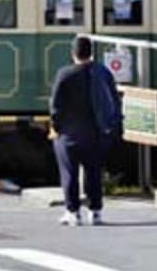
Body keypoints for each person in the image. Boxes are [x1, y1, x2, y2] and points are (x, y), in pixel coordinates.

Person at [49, 34, 121, 226]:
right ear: (91, 53)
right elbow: (115, 100)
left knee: (69, 173)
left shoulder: (64, 74)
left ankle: (73, 212)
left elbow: (56, 106)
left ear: (73, 53)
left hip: (69, 134)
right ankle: (95, 212)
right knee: (94, 172)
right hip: (96, 133)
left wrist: (56, 127)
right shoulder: (103, 73)